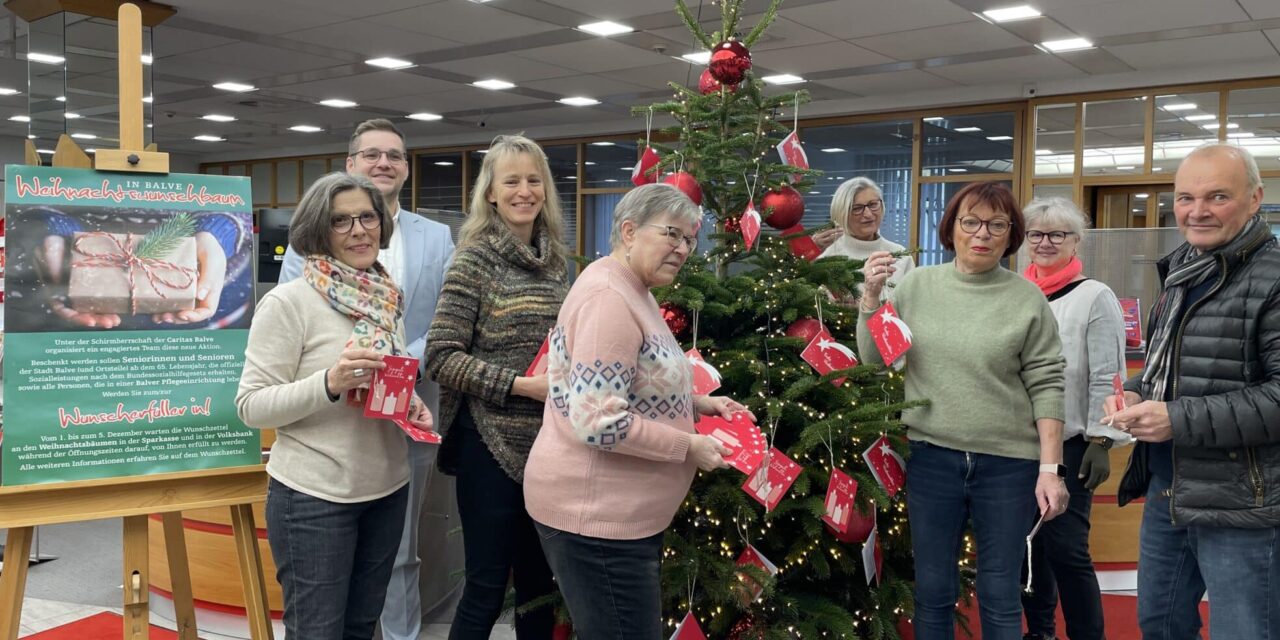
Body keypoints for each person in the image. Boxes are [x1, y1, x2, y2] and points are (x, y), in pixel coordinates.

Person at [523, 183, 747, 638]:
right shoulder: (609, 298)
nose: (683, 248)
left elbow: (628, 382)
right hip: (597, 522)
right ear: (629, 230)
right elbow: (599, 422)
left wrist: (698, 403)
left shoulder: (633, 287)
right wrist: (688, 446)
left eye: (689, 239)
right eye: (672, 234)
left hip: (615, 517)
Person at [856, 181, 1069, 640]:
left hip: (1009, 465)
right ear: (951, 228)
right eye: (970, 222)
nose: (982, 234)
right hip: (932, 458)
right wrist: (870, 299)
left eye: (997, 224)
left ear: (1011, 234)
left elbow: (1048, 384)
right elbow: (875, 360)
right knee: (932, 591)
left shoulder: (1026, 299)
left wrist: (1050, 469)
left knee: (999, 593)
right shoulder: (916, 287)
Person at [236, 172, 434, 640]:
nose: (359, 229)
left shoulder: (385, 299)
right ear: (318, 231)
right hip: (313, 499)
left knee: (361, 628)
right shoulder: (290, 303)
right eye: (341, 221)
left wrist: (409, 406)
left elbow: (381, 384)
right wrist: (329, 382)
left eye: (367, 216)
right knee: (317, 632)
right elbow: (251, 406)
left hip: (387, 488)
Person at [279, 118, 453, 640]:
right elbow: (294, 328)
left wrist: (405, 365)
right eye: (372, 155)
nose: (384, 163)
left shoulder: (437, 236)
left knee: (399, 549)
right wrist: (344, 371)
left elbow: (445, 317)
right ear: (350, 163)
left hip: (411, 407)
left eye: (394, 156)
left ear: (405, 168)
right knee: (328, 586)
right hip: (328, 427)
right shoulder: (306, 250)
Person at [1107, 142, 1280, 640]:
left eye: (1217, 196)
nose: (1197, 211)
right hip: (1170, 489)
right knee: (1159, 624)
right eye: (1185, 197)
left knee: (1246, 630)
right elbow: (1176, 367)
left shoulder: (1273, 278)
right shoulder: (1184, 270)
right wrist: (1140, 393)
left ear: (1254, 199)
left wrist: (1176, 418)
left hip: (1243, 501)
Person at [424, 134, 567, 639]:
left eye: (534, 180)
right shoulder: (474, 259)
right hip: (489, 444)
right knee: (486, 587)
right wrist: (522, 386)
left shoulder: (555, 263)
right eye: (512, 181)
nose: (524, 190)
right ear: (490, 192)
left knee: (540, 588)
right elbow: (440, 357)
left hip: (549, 447)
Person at [1019, 197, 1130, 640]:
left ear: (1075, 241)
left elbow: (1109, 373)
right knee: (1031, 548)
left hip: (1073, 443)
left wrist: (1102, 441)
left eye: (1057, 235)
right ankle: (1040, 631)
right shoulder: (1015, 290)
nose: (1045, 243)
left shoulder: (1094, 296)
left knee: (1066, 550)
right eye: (1036, 234)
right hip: (1018, 442)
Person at [817, 177, 914, 303]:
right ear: (842, 213)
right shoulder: (828, 258)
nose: (868, 214)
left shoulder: (900, 255)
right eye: (857, 208)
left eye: (873, 205)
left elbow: (912, 307)